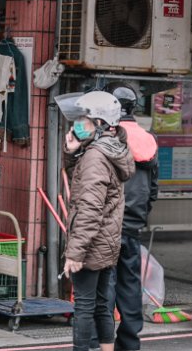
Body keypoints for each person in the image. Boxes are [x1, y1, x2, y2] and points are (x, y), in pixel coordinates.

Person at [55, 90, 135, 351]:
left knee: (85, 306)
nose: (78, 124)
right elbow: (83, 183)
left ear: (99, 124)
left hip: (91, 243)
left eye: (84, 120)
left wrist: (75, 253)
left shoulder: (95, 157)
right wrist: (72, 151)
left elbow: (89, 207)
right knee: (102, 304)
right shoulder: (108, 149)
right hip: (106, 241)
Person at [102, 82, 158, 351]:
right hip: (133, 224)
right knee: (130, 286)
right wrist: (141, 213)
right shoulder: (148, 139)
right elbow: (154, 187)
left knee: (105, 285)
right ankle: (130, 343)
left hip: (108, 224)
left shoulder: (108, 138)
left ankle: (101, 342)